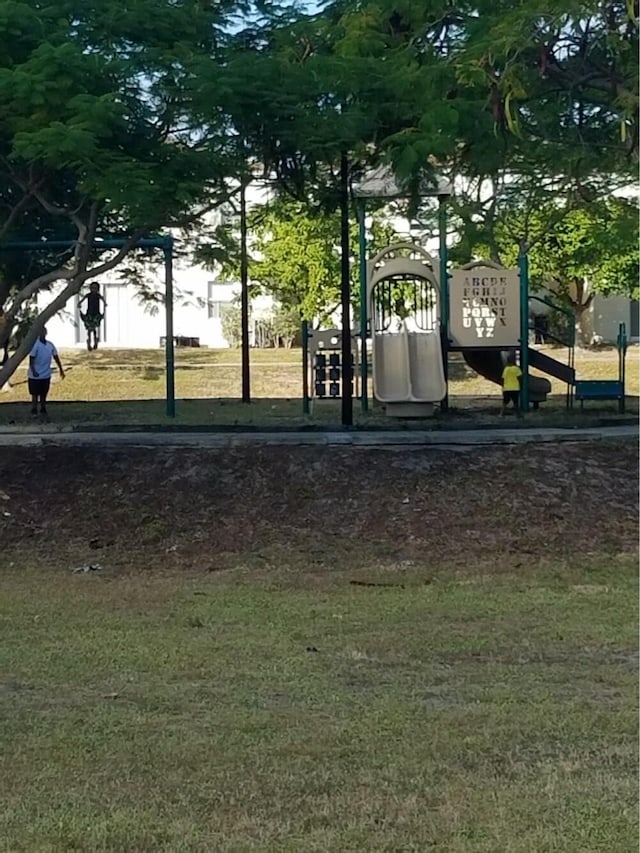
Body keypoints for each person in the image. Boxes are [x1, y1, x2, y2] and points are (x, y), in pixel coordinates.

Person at [28, 327, 65, 419]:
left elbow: (56, 357)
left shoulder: (50, 345)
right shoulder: (35, 345)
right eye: (41, 332)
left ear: (46, 333)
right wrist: (34, 371)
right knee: (35, 394)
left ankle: (43, 408)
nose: (42, 334)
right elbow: (31, 360)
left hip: (46, 374)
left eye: (44, 332)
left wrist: (61, 369)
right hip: (35, 376)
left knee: (44, 393)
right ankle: (34, 409)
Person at [78, 282, 106, 351]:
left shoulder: (98, 295)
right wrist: (79, 303)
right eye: (92, 288)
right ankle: (89, 341)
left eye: (95, 288)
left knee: (94, 329)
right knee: (90, 329)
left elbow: (103, 299)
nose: (94, 290)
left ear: (98, 289)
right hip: (89, 314)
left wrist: (105, 304)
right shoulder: (88, 295)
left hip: (96, 314)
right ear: (90, 289)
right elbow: (83, 299)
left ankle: (95, 340)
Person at [501, 352, 523, 418]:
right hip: (515, 387)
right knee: (516, 402)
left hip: (507, 388)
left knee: (505, 402)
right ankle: (518, 414)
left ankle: (501, 413)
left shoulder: (506, 369)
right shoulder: (517, 369)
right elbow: (520, 377)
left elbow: (503, 377)